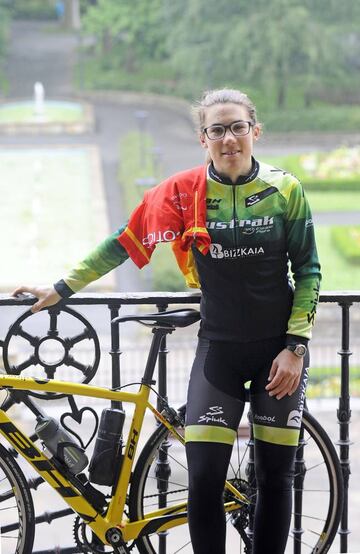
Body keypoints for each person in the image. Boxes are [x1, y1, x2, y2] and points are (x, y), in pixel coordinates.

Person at [13, 88, 321, 554]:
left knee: (276, 476)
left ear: (255, 131)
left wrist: (295, 347)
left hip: (278, 355)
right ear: (203, 139)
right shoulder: (182, 194)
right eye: (217, 129)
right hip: (219, 351)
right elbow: (125, 241)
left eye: (238, 127)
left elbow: (309, 269)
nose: (229, 138)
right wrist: (62, 288)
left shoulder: (284, 190)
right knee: (202, 480)